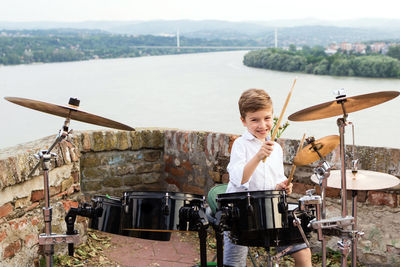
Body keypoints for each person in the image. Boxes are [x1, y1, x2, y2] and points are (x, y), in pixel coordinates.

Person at [223, 89, 312, 267]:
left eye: (267, 118)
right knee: (234, 263)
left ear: (273, 118)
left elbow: (275, 181)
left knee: (303, 252)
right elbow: (239, 178)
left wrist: (283, 186)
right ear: (244, 121)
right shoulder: (241, 145)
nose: (262, 125)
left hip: (269, 212)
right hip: (240, 213)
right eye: (254, 120)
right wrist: (257, 156)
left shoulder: (276, 149)